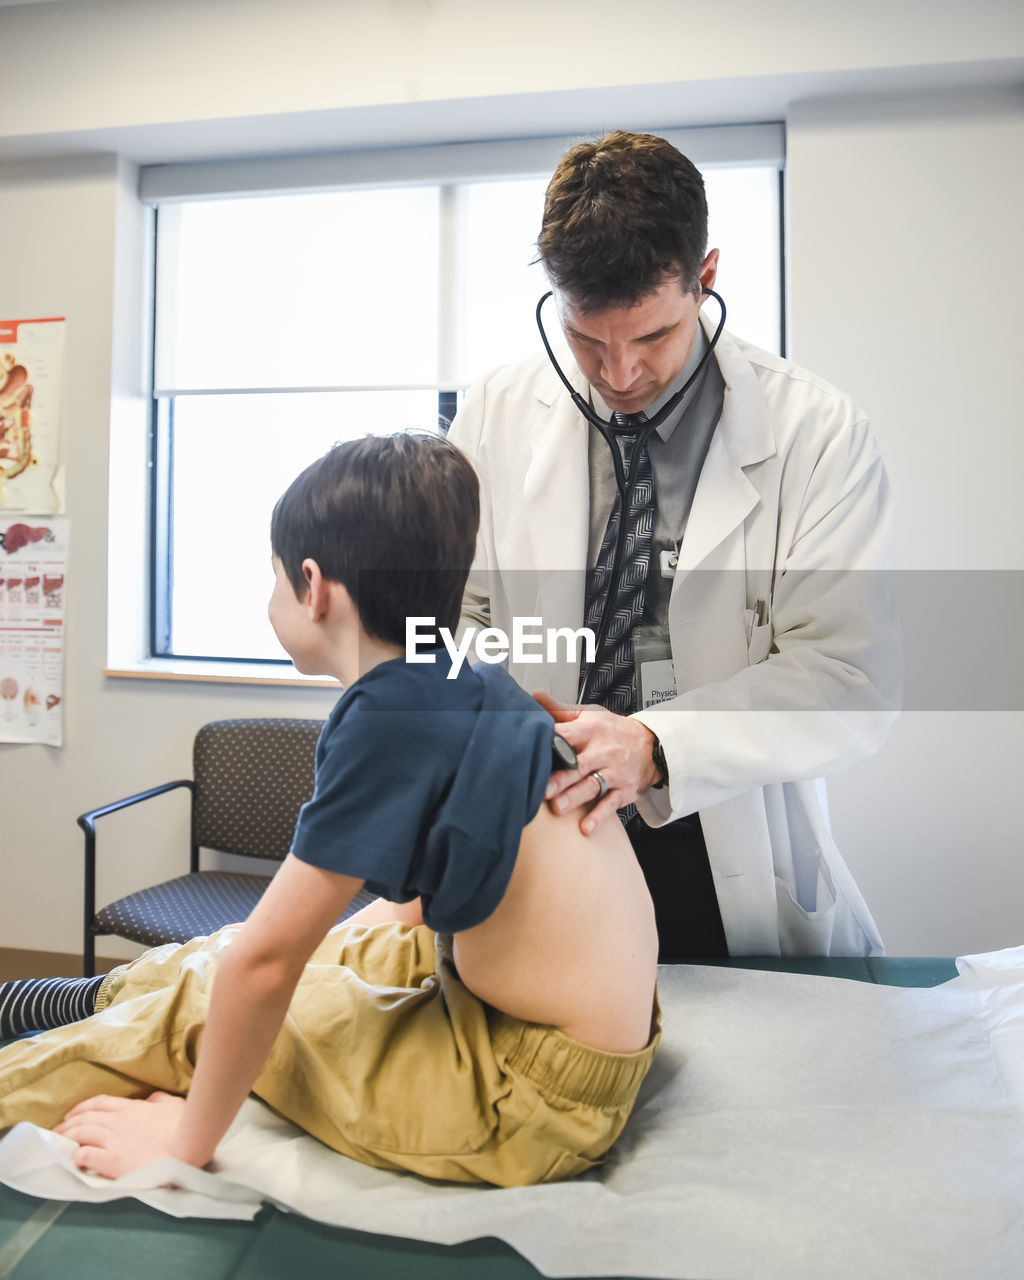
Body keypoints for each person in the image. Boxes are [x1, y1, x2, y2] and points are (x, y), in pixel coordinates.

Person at [0, 432, 659, 1186]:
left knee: (219, 997)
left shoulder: (390, 717)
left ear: (314, 587)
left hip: (527, 1096)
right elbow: (427, 894)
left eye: (274, 580)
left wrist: (182, 1142)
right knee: (230, 950)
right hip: (560, 1032)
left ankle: (46, 1051)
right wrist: (256, 957)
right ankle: (68, 1000)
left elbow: (268, 967)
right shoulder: (463, 680)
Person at [447, 131, 901, 960]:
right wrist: (512, 722)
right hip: (543, 823)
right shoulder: (497, 412)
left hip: (718, 835)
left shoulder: (816, 432)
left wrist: (656, 747)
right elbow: (461, 612)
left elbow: (848, 680)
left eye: (651, 337)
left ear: (707, 278)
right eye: (588, 340)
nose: (618, 375)